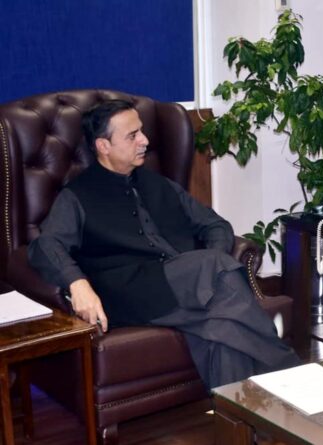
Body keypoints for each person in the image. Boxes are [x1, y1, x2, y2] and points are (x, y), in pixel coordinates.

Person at [28, 99, 300, 389]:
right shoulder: (76, 196)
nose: (144, 140)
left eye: (142, 131)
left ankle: (235, 414)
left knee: (222, 329)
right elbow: (45, 245)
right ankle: (294, 375)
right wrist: (77, 283)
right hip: (128, 294)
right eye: (132, 135)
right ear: (103, 146)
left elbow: (216, 225)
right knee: (214, 269)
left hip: (182, 287)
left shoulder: (160, 184)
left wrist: (207, 271)